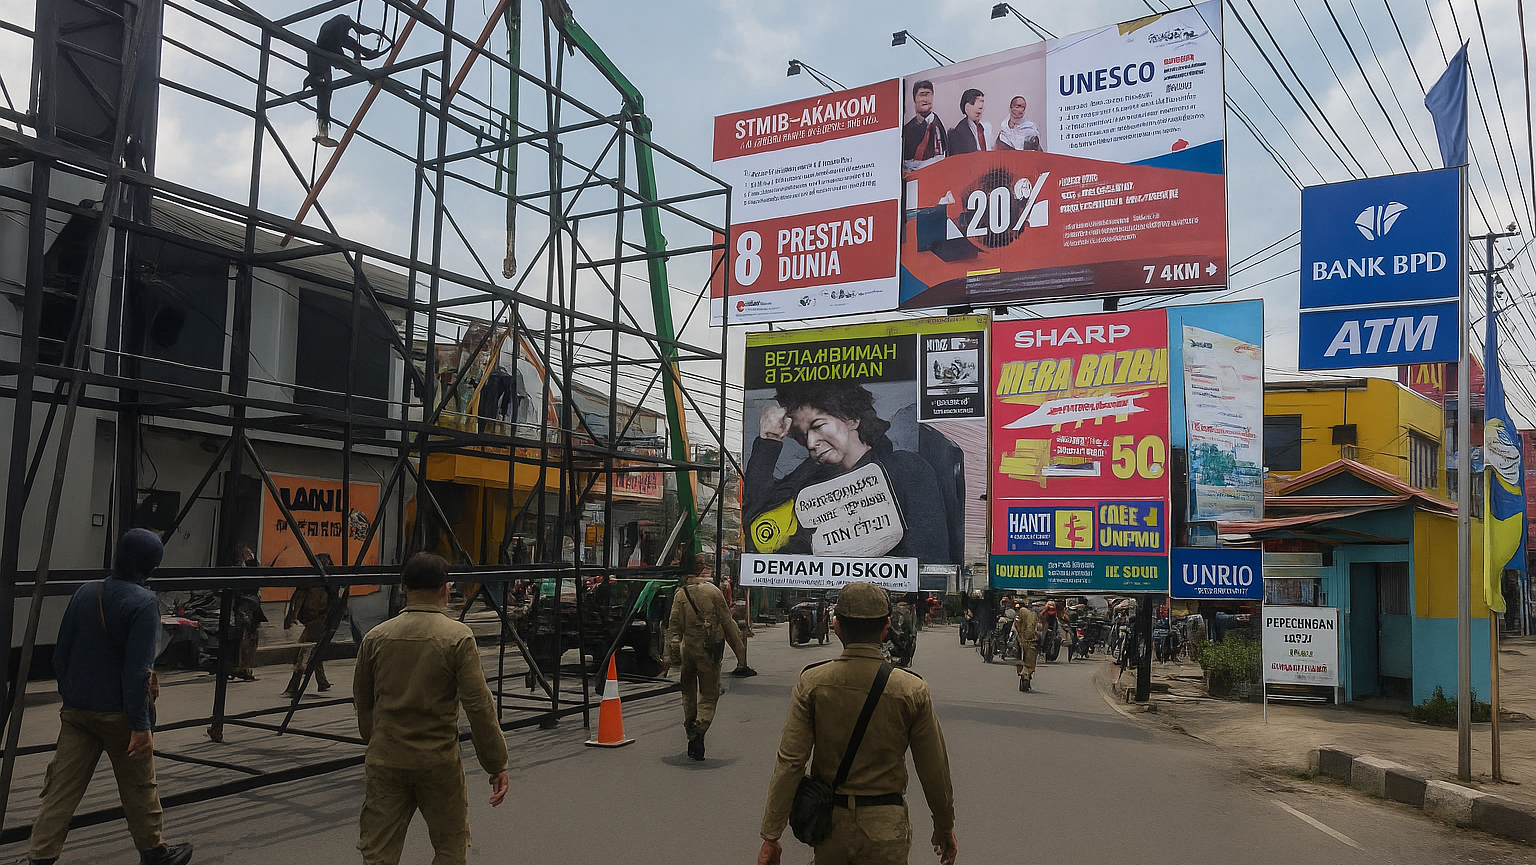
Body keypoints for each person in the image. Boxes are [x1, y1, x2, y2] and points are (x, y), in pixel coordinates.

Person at [757, 582, 957, 865]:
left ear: (836, 626)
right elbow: (934, 768)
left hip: (830, 829)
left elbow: (790, 761)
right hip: (885, 829)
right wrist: (944, 826)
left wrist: (771, 835)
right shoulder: (911, 689)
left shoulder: (813, 683)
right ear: (886, 627)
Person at [27, 529, 194, 865]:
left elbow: (61, 654)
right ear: (150, 566)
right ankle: (154, 853)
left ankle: (39, 858)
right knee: (139, 786)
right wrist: (140, 725)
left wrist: (71, 697)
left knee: (60, 790)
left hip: (78, 712)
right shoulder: (145, 603)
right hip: (120, 717)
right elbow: (137, 672)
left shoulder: (85, 592)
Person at [353, 552, 509, 865]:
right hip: (437, 762)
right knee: (450, 848)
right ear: (444, 588)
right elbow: (479, 706)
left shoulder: (376, 637)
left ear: (404, 588)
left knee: (378, 852)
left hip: (386, 760)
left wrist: (375, 739)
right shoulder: (457, 637)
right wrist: (496, 763)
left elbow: (363, 698)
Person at [743, 382, 949, 564]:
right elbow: (758, 527)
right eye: (801, 436)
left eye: (818, 426)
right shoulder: (807, 484)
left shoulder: (905, 470)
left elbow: (930, 562)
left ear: (852, 419)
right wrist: (769, 441)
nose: (810, 443)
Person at [661, 555, 750, 760]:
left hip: (687, 651)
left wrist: (670, 659)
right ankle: (698, 730)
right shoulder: (712, 592)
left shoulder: (680, 595)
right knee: (709, 694)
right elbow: (728, 625)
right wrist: (741, 656)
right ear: (701, 570)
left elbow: (673, 629)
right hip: (709, 652)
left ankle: (689, 726)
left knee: (688, 692)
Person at [304, 14, 389, 146]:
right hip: (322, 53)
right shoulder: (336, 29)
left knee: (326, 91)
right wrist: (362, 53)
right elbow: (354, 36)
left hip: (326, 52)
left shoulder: (341, 26)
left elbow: (358, 33)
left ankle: (323, 130)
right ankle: (322, 130)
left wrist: (368, 46)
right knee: (324, 92)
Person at [283, 557, 335, 696]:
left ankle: (293, 686)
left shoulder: (320, 583)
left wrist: (294, 616)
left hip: (316, 621)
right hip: (316, 621)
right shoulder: (322, 581)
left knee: (303, 653)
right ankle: (322, 682)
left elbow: (304, 600)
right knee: (313, 652)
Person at [902, 79, 948, 171]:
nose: (925, 99)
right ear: (914, 99)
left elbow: (943, 153)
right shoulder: (908, 129)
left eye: (928, 94)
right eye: (921, 95)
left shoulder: (937, 125)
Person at [947, 89, 990, 155]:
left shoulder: (986, 127)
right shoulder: (957, 133)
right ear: (966, 108)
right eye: (974, 102)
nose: (980, 107)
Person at [1013, 600, 1039, 692]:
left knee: (1021, 660)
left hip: (1022, 641)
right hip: (1032, 642)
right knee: (1030, 662)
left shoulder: (1020, 613)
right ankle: (1027, 674)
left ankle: (1023, 674)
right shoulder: (1034, 614)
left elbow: (1016, 624)